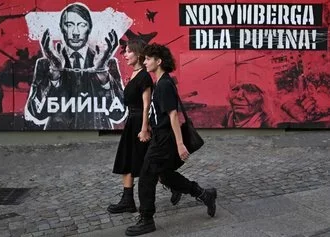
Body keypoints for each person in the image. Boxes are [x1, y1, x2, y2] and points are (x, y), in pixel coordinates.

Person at [125, 43, 217, 236]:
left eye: (149, 59)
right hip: (160, 136)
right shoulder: (160, 82)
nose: (145, 62)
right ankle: (204, 194)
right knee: (165, 175)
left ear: (159, 61)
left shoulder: (164, 84)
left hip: (164, 140)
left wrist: (180, 144)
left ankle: (147, 219)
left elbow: (173, 115)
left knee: (146, 178)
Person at [108, 39, 181, 214]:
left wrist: (144, 127)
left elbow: (147, 105)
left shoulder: (144, 76)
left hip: (140, 124)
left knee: (149, 164)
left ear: (138, 54)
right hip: (131, 122)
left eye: (128, 51)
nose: (124, 55)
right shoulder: (135, 74)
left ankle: (175, 186)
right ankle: (127, 200)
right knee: (128, 161)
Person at [24, 3, 125, 130]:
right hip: (58, 135)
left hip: (96, 136)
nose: (76, 33)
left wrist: (102, 73)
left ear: (89, 28)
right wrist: (55, 71)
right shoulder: (45, 64)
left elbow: (118, 114)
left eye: (82, 25)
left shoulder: (108, 64)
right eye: (69, 25)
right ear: (62, 28)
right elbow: (37, 113)